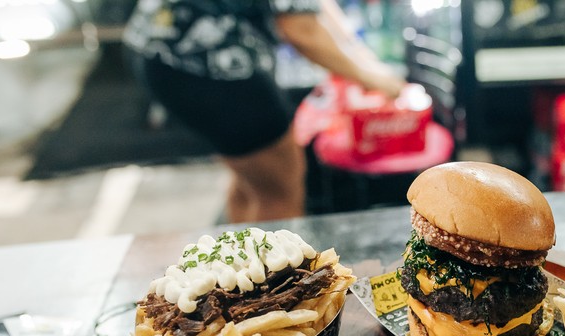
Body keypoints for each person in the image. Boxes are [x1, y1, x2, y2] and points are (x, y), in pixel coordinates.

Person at [123, 0, 406, 223]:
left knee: (254, 177)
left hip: (158, 49)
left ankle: (235, 285)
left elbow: (311, 7)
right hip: (209, 63)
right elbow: (301, 30)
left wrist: (358, 52)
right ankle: (274, 294)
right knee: (281, 189)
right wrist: (374, 80)